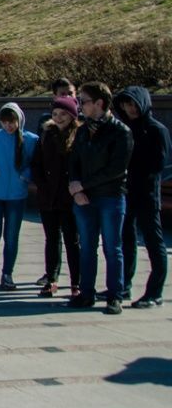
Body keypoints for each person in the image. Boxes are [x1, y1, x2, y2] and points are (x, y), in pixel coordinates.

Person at [68, 82, 133, 314]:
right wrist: (76, 189)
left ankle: (115, 296)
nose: (80, 106)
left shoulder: (120, 131)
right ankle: (86, 293)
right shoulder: (83, 130)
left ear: (99, 103)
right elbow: (73, 161)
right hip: (84, 199)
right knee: (87, 247)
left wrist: (83, 185)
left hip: (110, 197)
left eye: (84, 101)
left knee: (112, 247)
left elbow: (116, 169)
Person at [114, 86, 168, 308]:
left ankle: (155, 292)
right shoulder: (125, 129)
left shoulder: (156, 130)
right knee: (126, 239)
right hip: (126, 193)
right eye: (127, 104)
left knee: (153, 242)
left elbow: (158, 164)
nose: (131, 108)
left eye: (134, 104)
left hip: (147, 194)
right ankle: (124, 285)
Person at [0, 103, 39, 290]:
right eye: (4, 122)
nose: (8, 126)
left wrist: (25, 175)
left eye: (11, 122)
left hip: (16, 194)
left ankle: (7, 273)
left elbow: (35, 163)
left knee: (11, 236)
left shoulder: (30, 139)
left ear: (19, 120)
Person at [31, 96, 81, 298]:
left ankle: (76, 283)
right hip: (48, 197)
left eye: (63, 114)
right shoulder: (46, 134)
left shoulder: (80, 135)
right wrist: (42, 185)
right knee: (52, 240)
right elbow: (36, 164)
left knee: (72, 241)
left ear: (72, 116)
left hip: (70, 197)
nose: (59, 118)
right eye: (55, 114)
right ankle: (51, 280)